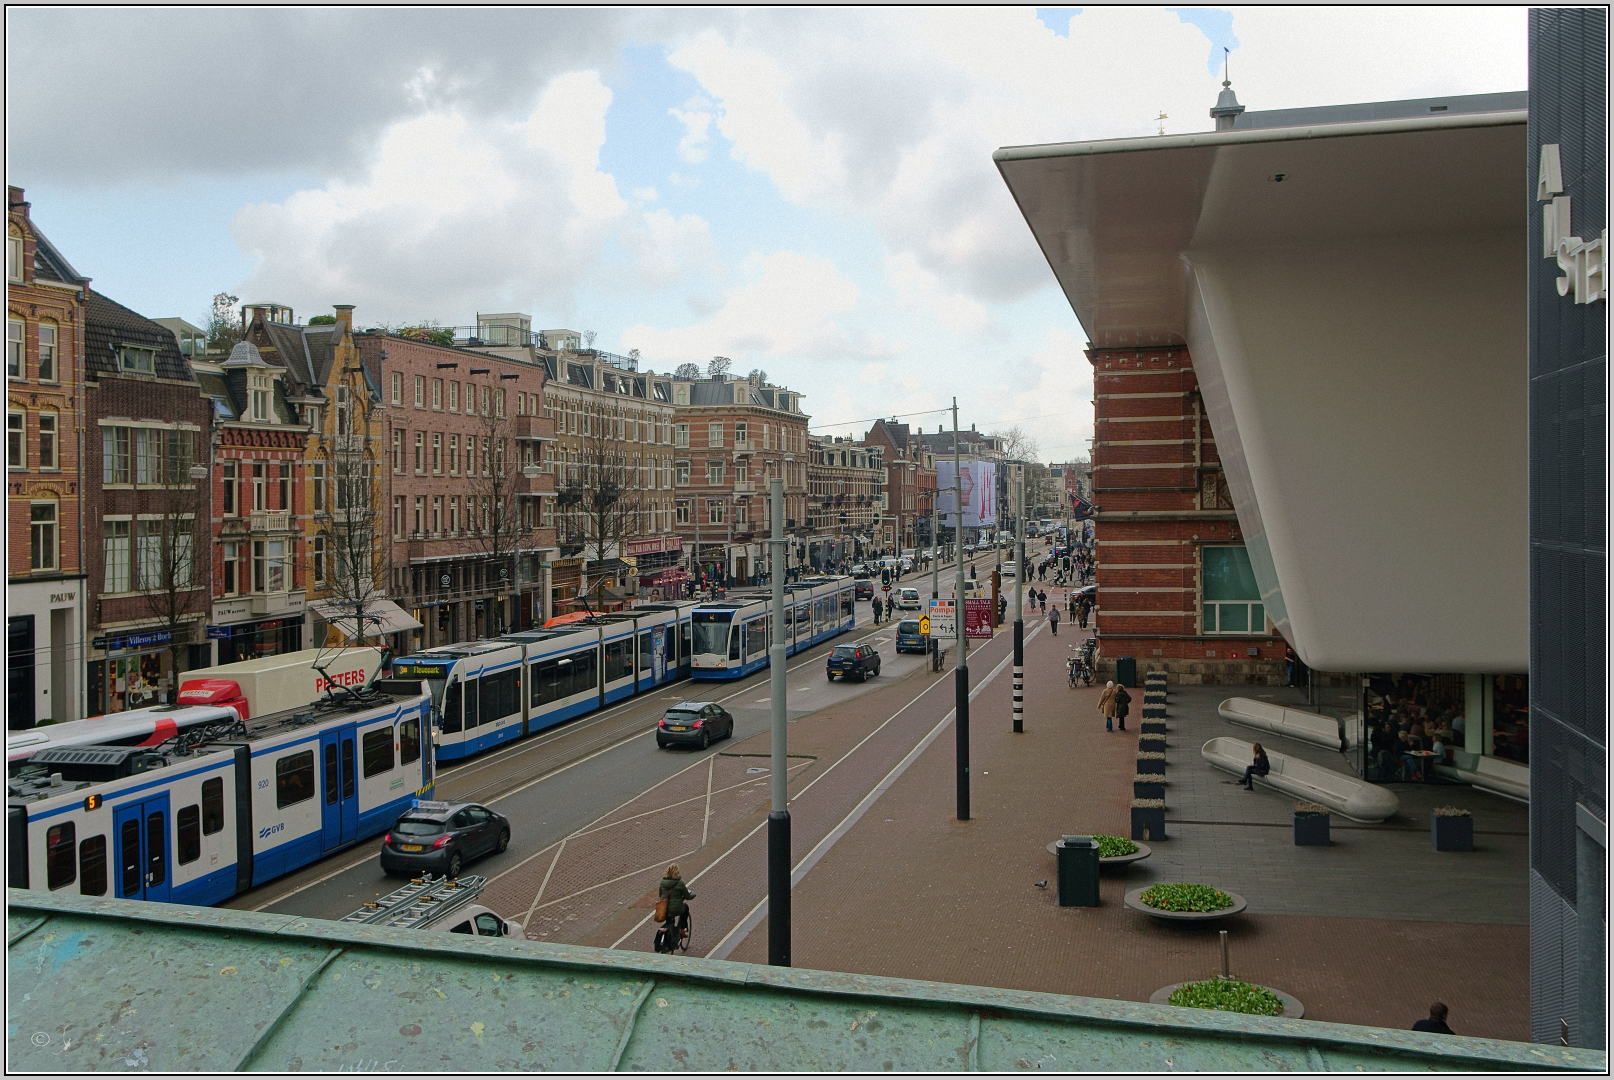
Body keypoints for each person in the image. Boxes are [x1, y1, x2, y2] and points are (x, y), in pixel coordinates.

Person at [657, 864, 695, 952]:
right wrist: (692, 895)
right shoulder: (680, 883)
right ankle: (682, 930)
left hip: (665, 908)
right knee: (685, 907)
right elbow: (687, 896)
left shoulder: (663, 882)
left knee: (669, 920)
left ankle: (668, 937)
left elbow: (660, 895)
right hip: (677, 908)